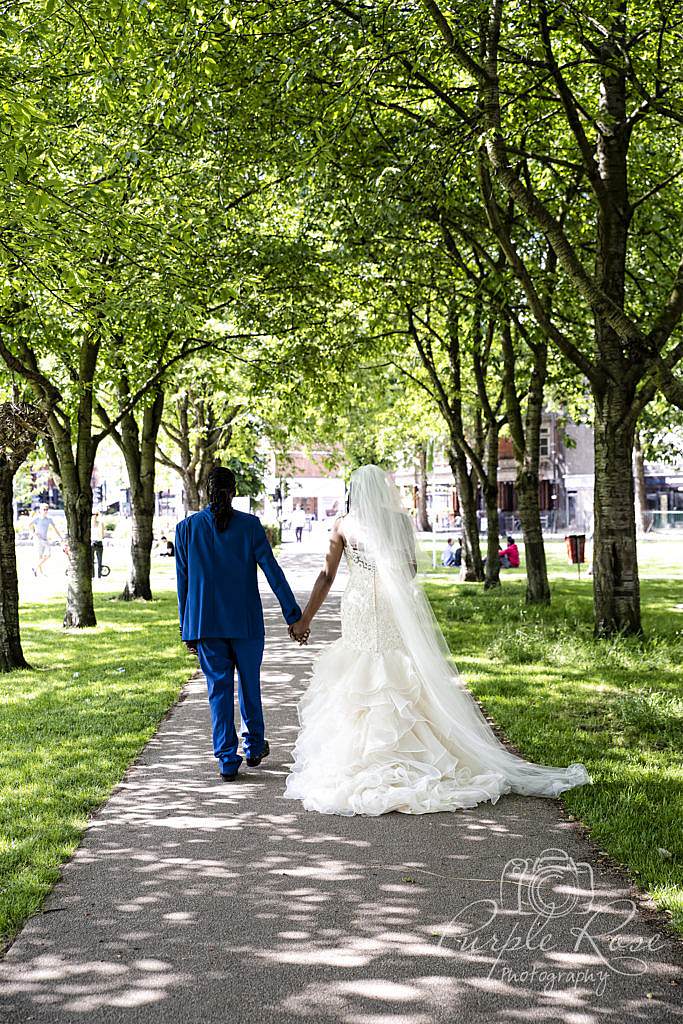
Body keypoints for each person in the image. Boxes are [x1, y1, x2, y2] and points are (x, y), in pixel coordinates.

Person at [284, 464, 591, 816]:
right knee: (396, 669)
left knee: (361, 669)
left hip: (357, 605)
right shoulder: (398, 522)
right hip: (390, 604)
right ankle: (417, 751)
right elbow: (411, 569)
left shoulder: (342, 525)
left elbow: (327, 576)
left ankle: (360, 756)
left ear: (355, 490)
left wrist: (304, 619)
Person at [175, 467, 304, 782]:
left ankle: (226, 760)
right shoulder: (250, 527)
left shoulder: (186, 529)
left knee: (218, 689)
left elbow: (184, 584)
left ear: (207, 492)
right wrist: (293, 614)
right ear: (232, 491)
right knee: (250, 684)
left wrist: (186, 628)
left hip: (205, 623)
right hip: (245, 622)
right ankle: (255, 746)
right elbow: (273, 572)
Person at [30, 503, 63, 577]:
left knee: (48, 554)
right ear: (40, 510)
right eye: (44, 509)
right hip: (38, 539)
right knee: (40, 556)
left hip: (44, 539)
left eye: (47, 509)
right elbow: (29, 525)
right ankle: (40, 573)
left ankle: (35, 567)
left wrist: (61, 538)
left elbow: (55, 529)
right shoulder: (37, 518)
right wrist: (33, 533)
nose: (45, 511)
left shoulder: (49, 519)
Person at [91, 511, 105, 578]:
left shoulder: (98, 524)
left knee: (96, 561)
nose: (94, 516)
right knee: (95, 561)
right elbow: (102, 535)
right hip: (95, 543)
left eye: (95, 515)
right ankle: (96, 576)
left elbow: (102, 536)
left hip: (95, 543)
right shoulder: (99, 524)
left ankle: (96, 576)